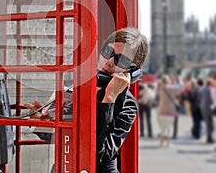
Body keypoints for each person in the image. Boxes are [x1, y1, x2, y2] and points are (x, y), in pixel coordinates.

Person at [22, 27, 149, 173]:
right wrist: (40, 122)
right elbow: (63, 138)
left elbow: (101, 154)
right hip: (65, 167)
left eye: (121, 60)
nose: (108, 62)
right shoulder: (81, 85)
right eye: (108, 52)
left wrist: (109, 98)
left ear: (133, 71)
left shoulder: (127, 103)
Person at [157, 75, 184, 147]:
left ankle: (161, 142)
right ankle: (168, 143)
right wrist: (180, 80)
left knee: (163, 127)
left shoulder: (161, 88)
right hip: (170, 110)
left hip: (162, 109)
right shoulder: (170, 88)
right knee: (169, 127)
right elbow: (181, 88)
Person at [198, 79, 214, 143]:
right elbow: (213, 99)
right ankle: (209, 137)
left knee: (207, 122)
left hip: (202, 107)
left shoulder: (201, 89)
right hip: (209, 108)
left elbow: (199, 99)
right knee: (210, 123)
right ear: (210, 84)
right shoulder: (210, 90)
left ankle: (208, 136)